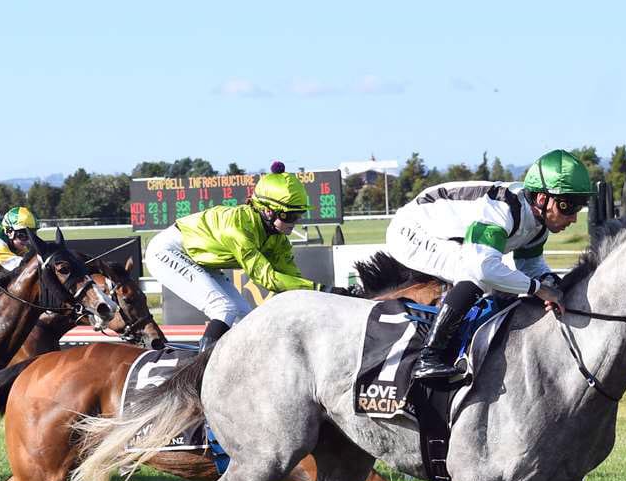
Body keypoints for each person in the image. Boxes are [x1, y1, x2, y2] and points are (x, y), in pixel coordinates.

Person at [386, 148, 594, 382]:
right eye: (568, 206)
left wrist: (554, 286)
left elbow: (531, 266)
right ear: (541, 199)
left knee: (499, 280)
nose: (573, 217)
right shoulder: (502, 210)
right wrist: (539, 289)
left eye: (579, 206)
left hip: (444, 234)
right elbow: (483, 269)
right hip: (411, 230)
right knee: (475, 275)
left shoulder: (537, 226)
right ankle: (428, 357)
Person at [144, 162, 349, 351]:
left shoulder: (278, 239)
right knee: (223, 307)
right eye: (289, 215)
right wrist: (324, 289)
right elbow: (268, 279)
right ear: (267, 211)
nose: (294, 221)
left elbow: (292, 281)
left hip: (199, 258)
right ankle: (201, 370)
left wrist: (329, 296)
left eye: (299, 214)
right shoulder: (239, 228)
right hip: (168, 250)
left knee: (246, 318)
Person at [0, 206, 39, 271]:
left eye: (31, 235)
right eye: (23, 235)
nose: (28, 241)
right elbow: (16, 266)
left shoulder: (18, 243)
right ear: (9, 231)